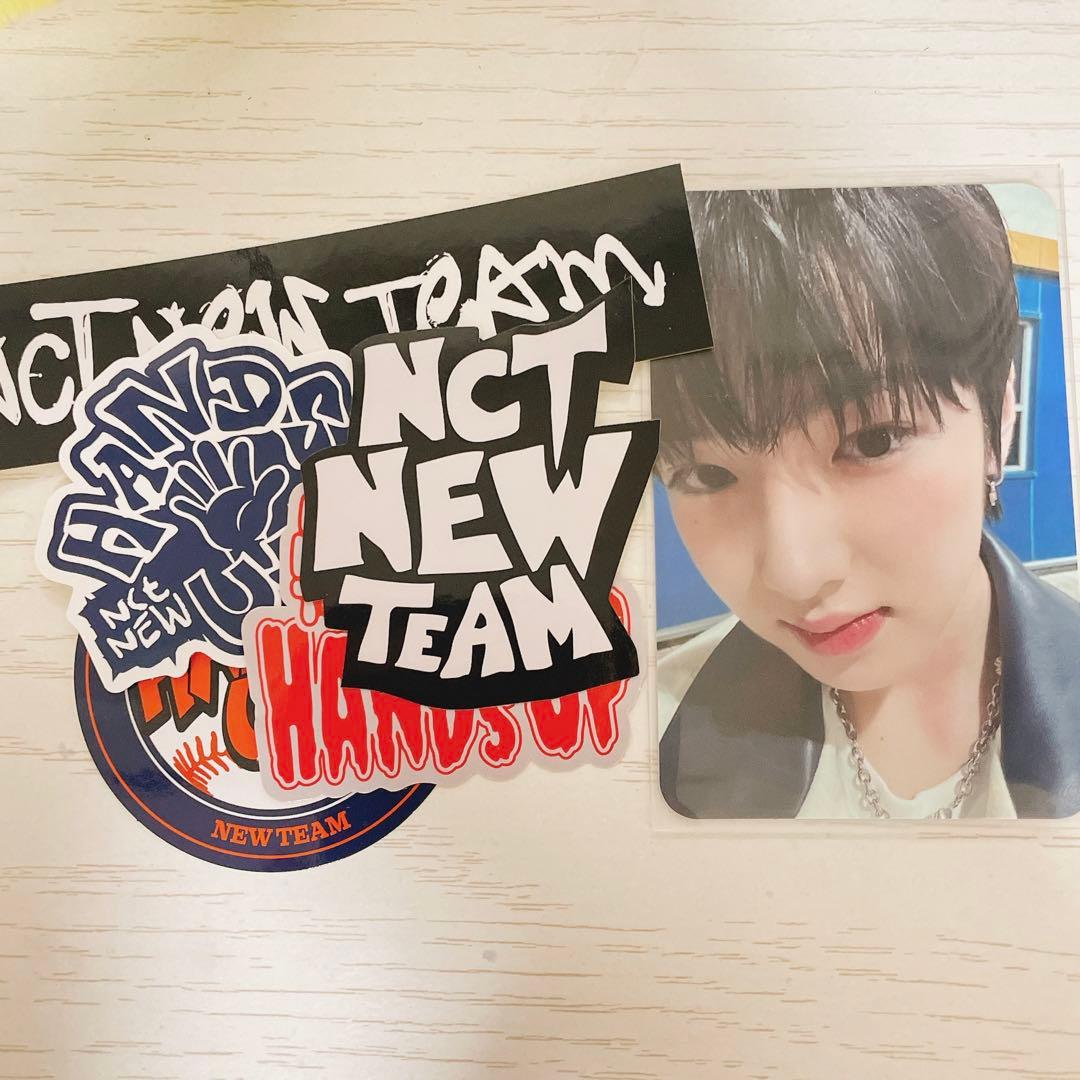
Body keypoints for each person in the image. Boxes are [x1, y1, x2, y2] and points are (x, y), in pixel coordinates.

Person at [655, 185, 1080, 820]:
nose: (794, 574)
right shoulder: (654, 730)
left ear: (999, 420)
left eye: (873, 441)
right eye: (708, 475)